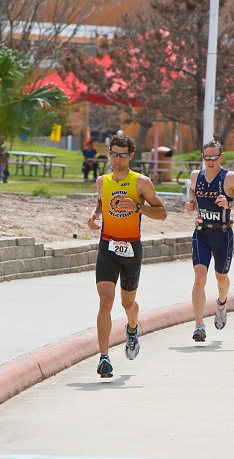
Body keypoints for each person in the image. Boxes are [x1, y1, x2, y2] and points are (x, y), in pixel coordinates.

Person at [88, 134, 167, 378]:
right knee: (105, 301)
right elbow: (101, 202)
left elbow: (162, 213)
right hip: (107, 246)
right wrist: (93, 216)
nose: (117, 159)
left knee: (127, 304)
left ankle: (132, 329)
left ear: (130, 156)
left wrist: (138, 207)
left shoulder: (141, 183)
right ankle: (104, 358)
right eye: (113, 153)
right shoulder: (103, 181)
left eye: (122, 155)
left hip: (132, 248)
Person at [185, 140, 234, 342]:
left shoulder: (230, 178)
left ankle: (221, 303)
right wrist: (190, 202)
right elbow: (192, 191)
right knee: (199, 277)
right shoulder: (196, 176)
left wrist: (229, 203)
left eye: (214, 157)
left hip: (223, 234)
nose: (210, 161)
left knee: (221, 278)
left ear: (221, 157)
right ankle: (199, 325)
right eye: (207, 157)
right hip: (202, 232)